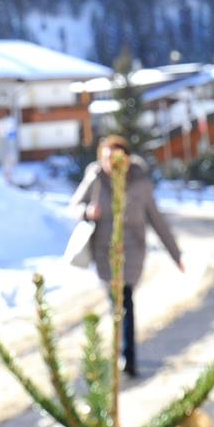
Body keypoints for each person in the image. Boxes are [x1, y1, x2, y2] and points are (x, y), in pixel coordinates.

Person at [68, 134, 183, 377]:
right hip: (104, 250)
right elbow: (74, 205)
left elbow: (157, 219)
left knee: (125, 299)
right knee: (116, 301)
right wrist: (88, 212)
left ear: (127, 159)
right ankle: (122, 349)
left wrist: (175, 254)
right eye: (107, 158)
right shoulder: (96, 178)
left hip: (132, 251)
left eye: (117, 157)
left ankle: (127, 355)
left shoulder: (140, 183)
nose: (112, 163)